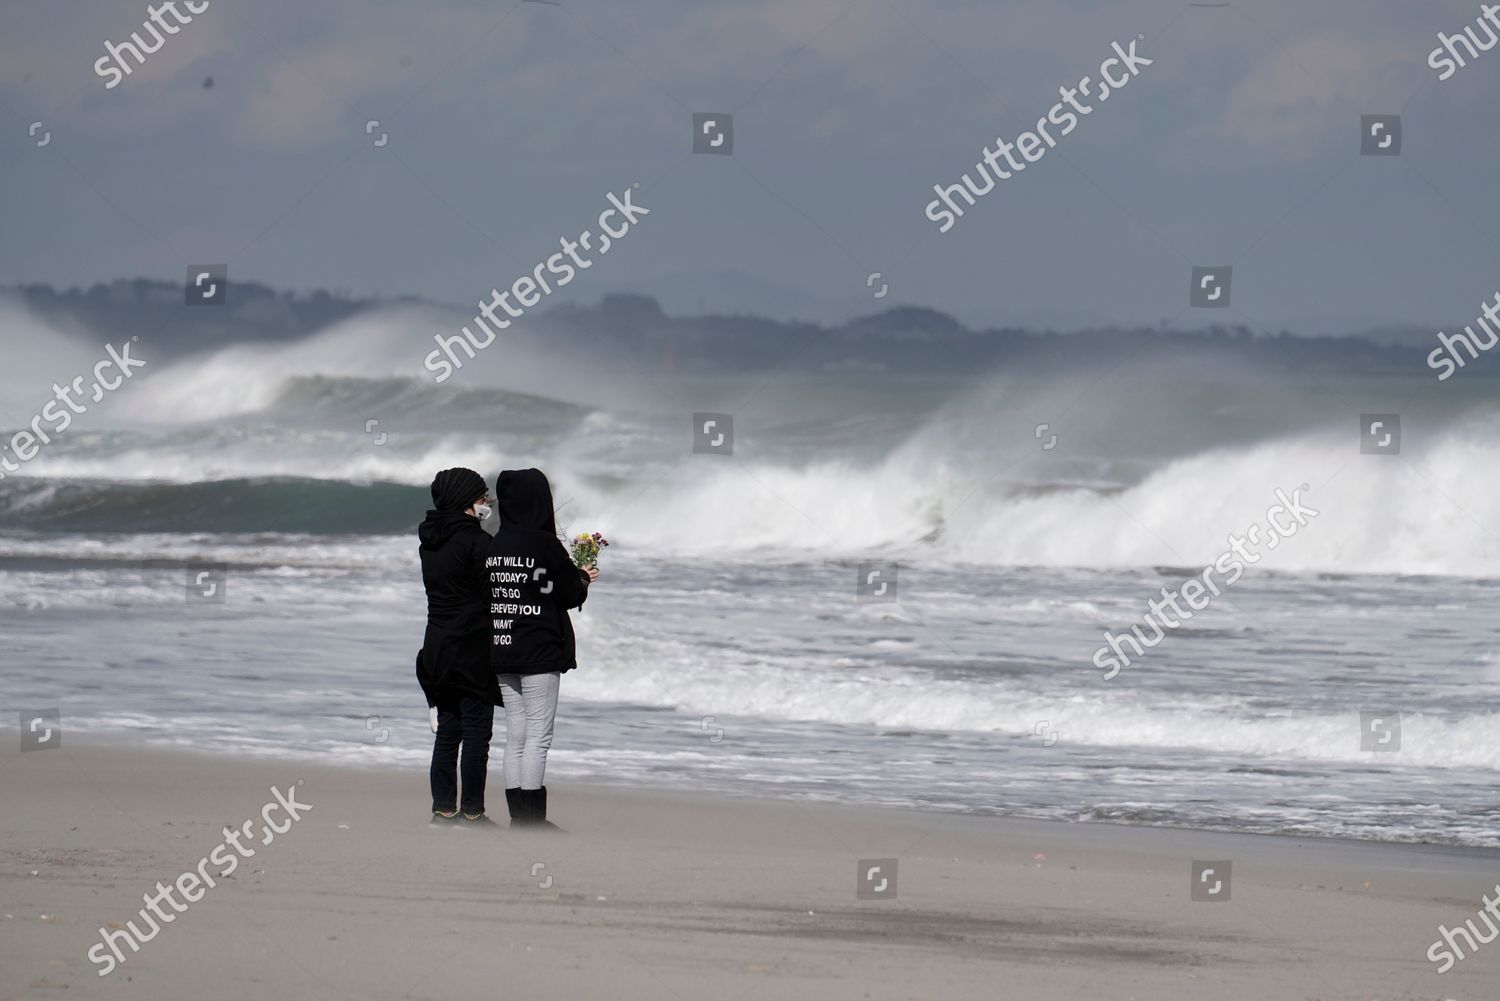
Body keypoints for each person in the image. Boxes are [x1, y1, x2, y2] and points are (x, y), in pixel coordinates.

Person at [486, 468, 599, 827]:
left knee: (515, 735)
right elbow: (566, 593)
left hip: (502, 645)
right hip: (538, 649)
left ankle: (519, 817)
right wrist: (583, 576)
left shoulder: (494, 545)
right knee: (539, 735)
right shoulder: (543, 544)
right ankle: (533, 820)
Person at [418, 468, 503, 823]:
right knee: (476, 733)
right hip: (472, 647)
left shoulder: (429, 540)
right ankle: (472, 812)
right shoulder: (477, 542)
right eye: (482, 496)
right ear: (466, 499)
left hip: (437, 645)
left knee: (448, 731)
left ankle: (443, 808)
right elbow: (491, 595)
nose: (486, 502)